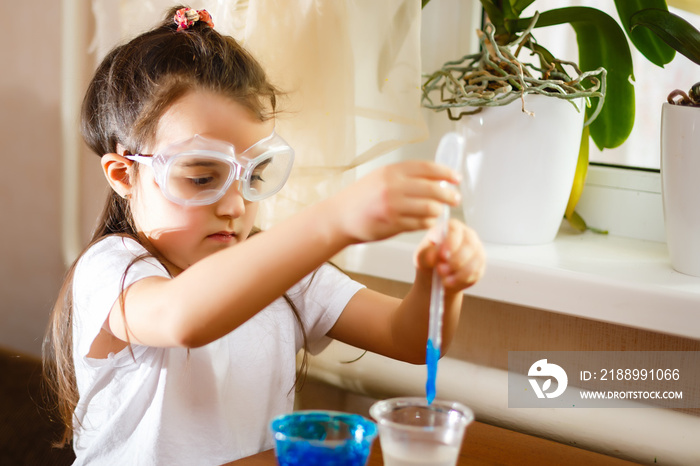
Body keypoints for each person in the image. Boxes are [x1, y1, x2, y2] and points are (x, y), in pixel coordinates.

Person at [43, 5, 485, 465]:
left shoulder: (284, 276)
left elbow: (410, 339)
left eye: (254, 174)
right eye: (200, 177)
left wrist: (440, 284)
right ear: (123, 174)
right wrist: (334, 221)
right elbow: (182, 318)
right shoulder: (113, 269)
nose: (235, 205)